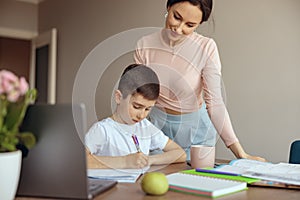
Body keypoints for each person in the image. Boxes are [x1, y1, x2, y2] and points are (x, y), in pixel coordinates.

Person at [134, 0, 266, 161]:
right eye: (176, 17)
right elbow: (139, 96)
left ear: (198, 24)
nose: (179, 29)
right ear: (169, 7)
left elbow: (215, 103)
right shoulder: (145, 44)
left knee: (192, 183)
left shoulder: (206, 47)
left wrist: (241, 153)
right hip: (156, 129)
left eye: (190, 25)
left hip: (195, 134)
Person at [85, 64, 186, 169]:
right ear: (119, 97)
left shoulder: (145, 127)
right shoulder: (102, 130)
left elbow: (180, 153)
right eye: (136, 107)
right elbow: (79, 161)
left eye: (148, 109)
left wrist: (149, 160)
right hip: (115, 185)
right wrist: (124, 162)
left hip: (137, 184)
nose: (142, 115)